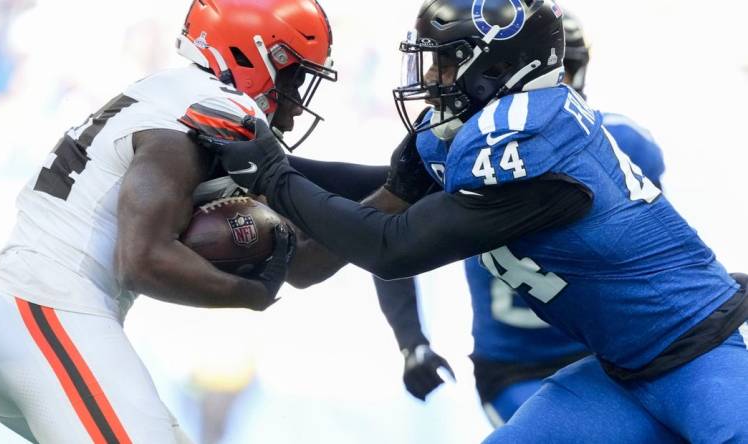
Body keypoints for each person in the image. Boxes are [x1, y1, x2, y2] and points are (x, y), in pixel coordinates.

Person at [201, 0, 748, 442]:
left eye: (445, 61)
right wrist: (264, 162)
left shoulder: (534, 147)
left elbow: (391, 248)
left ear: (496, 68)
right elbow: (381, 194)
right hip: (620, 367)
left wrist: (274, 176)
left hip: (706, 352)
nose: (432, 76)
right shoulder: (474, 132)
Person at [0, 1, 385, 442]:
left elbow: (305, 248)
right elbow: (142, 261)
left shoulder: (178, 97)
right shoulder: (206, 113)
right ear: (254, 56)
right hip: (47, 310)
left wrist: (403, 186)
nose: (297, 101)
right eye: (295, 75)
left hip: (25, 316)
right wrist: (248, 293)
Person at [373, 11, 667, 428]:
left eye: (561, 71)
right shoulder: (467, 153)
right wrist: (411, 341)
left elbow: (658, 256)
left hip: (606, 352)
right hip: (517, 366)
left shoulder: (622, 144)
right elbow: (386, 238)